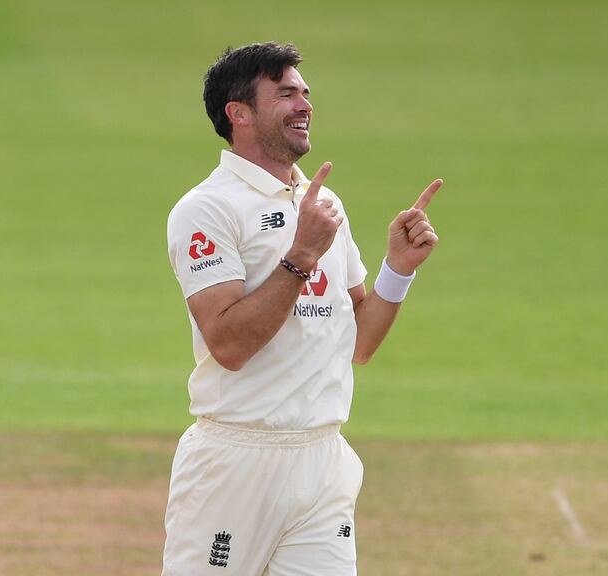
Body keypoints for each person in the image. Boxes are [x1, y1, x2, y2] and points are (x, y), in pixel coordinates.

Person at [163, 41, 441, 575]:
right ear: (239, 113)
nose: (304, 104)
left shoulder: (324, 205)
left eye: (305, 93)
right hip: (235, 464)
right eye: (286, 94)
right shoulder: (207, 209)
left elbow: (360, 344)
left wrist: (398, 269)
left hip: (322, 461)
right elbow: (229, 346)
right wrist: (302, 255)